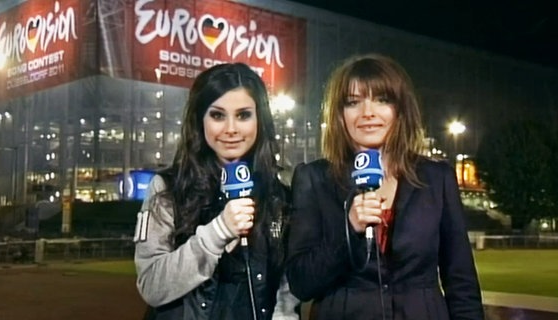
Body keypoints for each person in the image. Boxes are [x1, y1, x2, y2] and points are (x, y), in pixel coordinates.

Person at [286, 54, 484, 319]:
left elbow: (462, 284)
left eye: (382, 100)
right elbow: (302, 283)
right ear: (339, 115)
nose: (368, 113)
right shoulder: (313, 179)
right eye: (353, 102)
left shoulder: (437, 178)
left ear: (400, 110)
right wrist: (350, 230)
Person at [134, 63, 298, 320]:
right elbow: (151, 286)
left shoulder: (280, 198)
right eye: (218, 115)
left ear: (260, 120)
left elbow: (284, 297)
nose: (231, 129)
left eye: (243, 115)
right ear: (200, 120)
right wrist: (218, 232)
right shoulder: (167, 188)